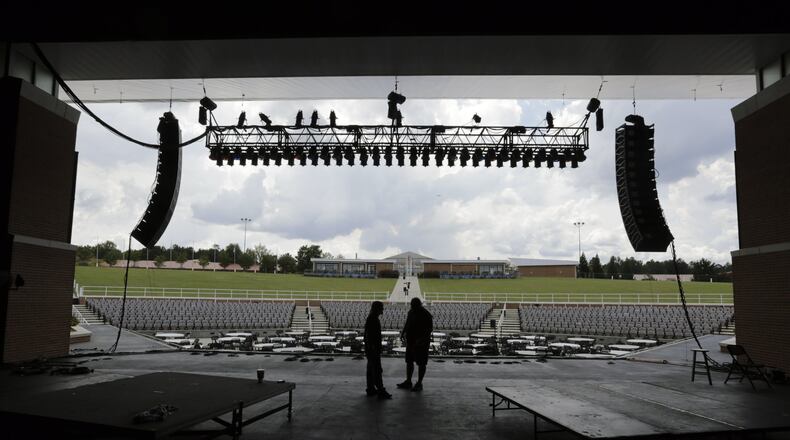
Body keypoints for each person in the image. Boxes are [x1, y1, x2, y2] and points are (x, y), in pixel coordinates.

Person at [397, 297, 433, 392]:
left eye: (413, 305)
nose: (412, 307)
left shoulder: (426, 315)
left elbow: (429, 330)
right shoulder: (411, 312)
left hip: (422, 343)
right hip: (411, 341)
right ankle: (408, 381)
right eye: (411, 305)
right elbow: (407, 323)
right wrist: (403, 333)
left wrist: (421, 340)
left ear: (418, 305)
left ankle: (419, 383)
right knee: (409, 361)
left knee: (421, 363)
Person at [364, 301, 391, 399]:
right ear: (377, 309)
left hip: (370, 348)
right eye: (381, 308)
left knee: (371, 370)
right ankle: (380, 390)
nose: (383, 309)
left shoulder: (371, 318)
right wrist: (374, 348)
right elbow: (370, 336)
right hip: (373, 349)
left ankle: (371, 388)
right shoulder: (373, 319)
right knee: (377, 370)